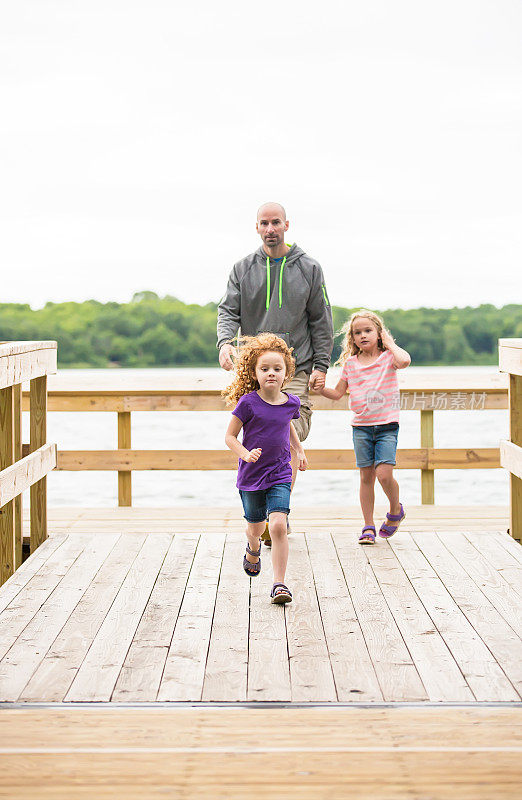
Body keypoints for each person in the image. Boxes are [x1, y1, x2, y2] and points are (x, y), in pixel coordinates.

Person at [217, 202, 333, 542]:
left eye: (276, 222)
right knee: (257, 438)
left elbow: (321, 321)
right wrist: (226, 343)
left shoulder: (309, 268)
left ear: (286, 225)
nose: (271, 229)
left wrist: (322, 365)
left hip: (294, 367)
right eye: (264, 223)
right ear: (257, 227)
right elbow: (228, 311)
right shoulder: (242, 269)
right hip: (255, 368)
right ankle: (263, 513)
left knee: (288, 429)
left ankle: (276, 514)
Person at [223, 333, 308, 604]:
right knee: (256, 527)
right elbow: (230, 437)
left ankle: (279, 584)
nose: (271, 373)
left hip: (280, 471)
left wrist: (300, 451)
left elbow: (289, 426)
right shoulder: (248, 403)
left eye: (277, 369)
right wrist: (245, 454)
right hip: (251, 475)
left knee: (279, 525)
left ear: (286, 373)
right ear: (255, 372)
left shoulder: (292, 403)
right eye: (265, 369)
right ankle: (253, 545)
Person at [318, 310, 411, 544]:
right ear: (352, 338)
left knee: (384, 474)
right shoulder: (351, 364)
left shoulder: (389, 357)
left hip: (387, 425)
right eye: (357, 332)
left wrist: (388, 342)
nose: (363, 335)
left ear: (379, 334)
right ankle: (368, 525)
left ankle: (395, 510)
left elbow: (405, 361)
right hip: (361, 427)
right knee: (366, 476)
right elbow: (338, 393)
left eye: (368, 330)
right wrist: (319, 388)